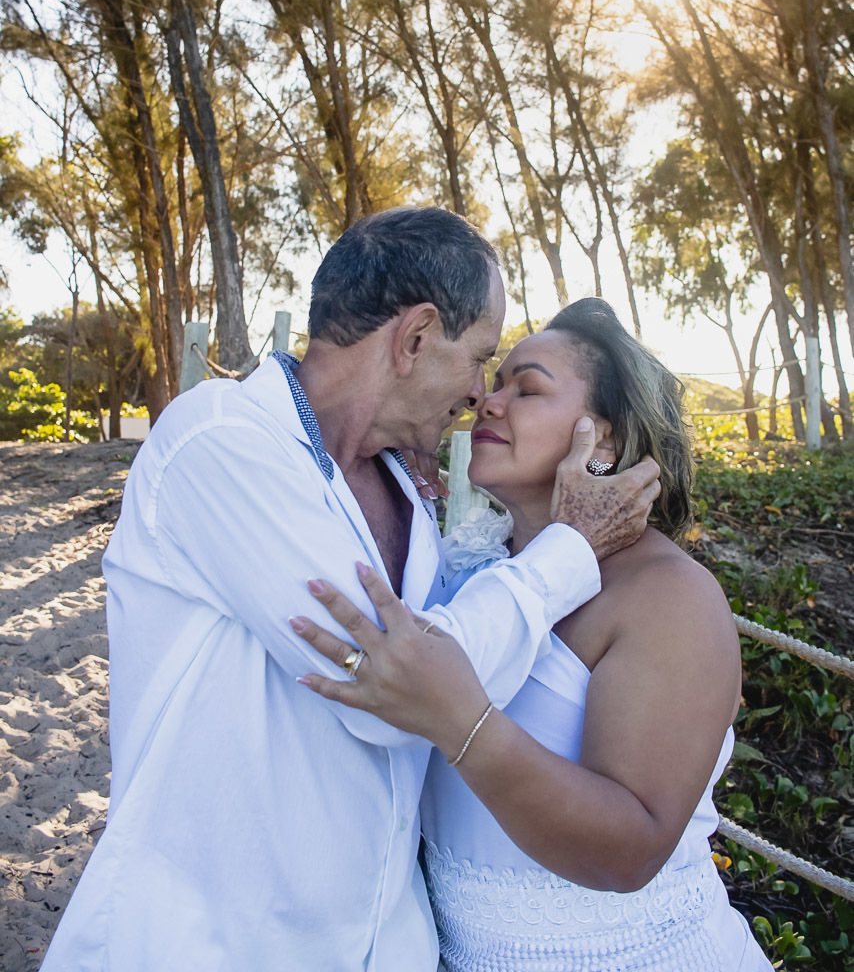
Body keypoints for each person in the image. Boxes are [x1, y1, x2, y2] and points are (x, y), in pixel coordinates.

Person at [41, 212, 660, 972]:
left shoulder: (404, 484)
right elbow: (389, 695)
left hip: (383, 947)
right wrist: (570, 551)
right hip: (211, 943)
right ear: (415, 337)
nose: (476, 395)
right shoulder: (221, 442)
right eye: (478, 360)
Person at [293, 298, 773, 971]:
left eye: (528, 387)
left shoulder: (667, 595)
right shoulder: (470, 570)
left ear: (600, 439)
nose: (489, 401)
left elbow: (632, 846)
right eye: (496, 382)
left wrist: (462, 720)